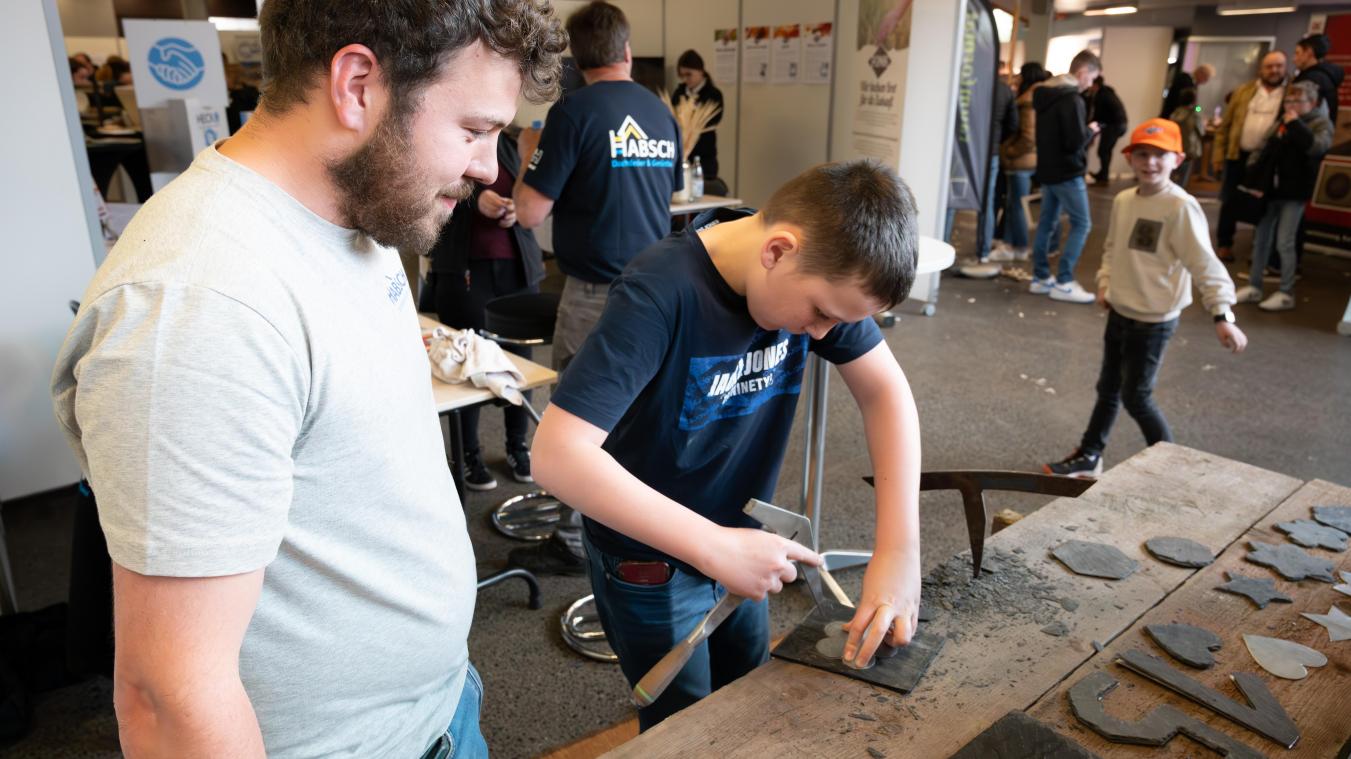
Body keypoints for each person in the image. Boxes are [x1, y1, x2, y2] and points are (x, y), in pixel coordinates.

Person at [49, 2, 565, 757]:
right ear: (357, 84)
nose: (490, 165)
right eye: (474, 129)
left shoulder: (358, 213)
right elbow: (169, 700)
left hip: (439, 707)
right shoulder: (197, 308)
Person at [530, 160, 923, 729]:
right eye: (819, 316)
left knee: (749, 694)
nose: (821, 336)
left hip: (741, 542)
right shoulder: (659, 292)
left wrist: (898, 551)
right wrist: (711, 547)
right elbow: (556, 454)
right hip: (652, 556)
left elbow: (886, 392)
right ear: (777, 251)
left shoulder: (823, 276)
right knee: (684, 726)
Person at [509, 1, 681, 577]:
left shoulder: (573, 111)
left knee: (576, 421)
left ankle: (576, 539)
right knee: (638, 415)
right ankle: (635, 528)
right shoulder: (661, 116)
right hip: (660, 293)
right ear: (627, 51)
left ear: (576, 59)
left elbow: (529, 213)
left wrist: (530, 158)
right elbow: (671, 198)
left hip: (594, 293)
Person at [1044, 119, 1246, 478]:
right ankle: (1090, 455)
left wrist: (1222, 314)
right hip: (1120, 311)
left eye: (1159, 155)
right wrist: (1106, 282)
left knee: (1136, 397)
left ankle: (1171, 466)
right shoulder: (1124, 201)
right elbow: (1112, 250)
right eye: (1142, 154)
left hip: (1154, 321)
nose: (1150, 162)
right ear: (1130, 158)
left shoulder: (1180, 207)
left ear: (1177, 160)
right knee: (1108, 389)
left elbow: (1205, 263)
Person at [429, 128, 545, 490]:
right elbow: (428, 197)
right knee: (468, 366)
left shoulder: (511, 145)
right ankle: (469, 454)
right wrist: (473, 202)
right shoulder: (446, 139)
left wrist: (517, 211)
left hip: (517, 268)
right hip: (465, 271)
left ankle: (517, 446)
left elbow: (530, 197)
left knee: (518, 364)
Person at [1235, 81, 1333, 312]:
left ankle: (1286, 291)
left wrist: (1297, 125)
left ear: (1312, 102)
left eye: (1297, 101)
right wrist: (1254, 170)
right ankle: (1254, 285)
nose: (1291, 105)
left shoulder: (1320, 123)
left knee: (1285, 242)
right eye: (1289, 101)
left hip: (1295, 192)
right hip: (1271, 189)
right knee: (1261, 238)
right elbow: (1266, 144)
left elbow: (1317, 148)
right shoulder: (1283, 121)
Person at [1029, 50, 1102, 304]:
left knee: (1047, 222)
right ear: (1082, 73)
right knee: (1082, 224)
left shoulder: (1045, 96)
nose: (1091, 85)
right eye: (1091, 78)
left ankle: (1040, 277)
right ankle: (1064, 281)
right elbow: (1073, 143)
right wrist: (1090, 131)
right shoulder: (1072, 100)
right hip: (1068, 173)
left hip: (1048, 170)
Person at [1212, 50, 1288, 263]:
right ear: (1260, 69)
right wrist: (1218, 156)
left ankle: (1259, 248)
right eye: (1269, 66)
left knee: (1263, 205)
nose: (1274, 70)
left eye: (1279, 66)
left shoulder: (1290, 94)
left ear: (1285, 67)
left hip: (1267, 162)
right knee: (1229, 201)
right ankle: (1224, 244)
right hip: (1238, 155)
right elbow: (1224, 127)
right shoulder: (1243, 92)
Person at [996, 62, 1050, 261]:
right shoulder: (1038, 97)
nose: (1017, 78)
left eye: (1020, 74)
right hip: (1026, 161)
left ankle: (1018, 246)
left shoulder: (1028, 101)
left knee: (1016, 205)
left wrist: (1009, 152)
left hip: (1020, 161)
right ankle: (1010, 245)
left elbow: (1028, 137)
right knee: (1013, 204)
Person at [973, 71, 1018, 263]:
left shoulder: (970, 84)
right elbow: (1013, 124)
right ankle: (983, 252)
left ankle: (945, 244)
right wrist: (998, 140)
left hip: (968, 151)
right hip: (991, 152)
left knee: (952, 201)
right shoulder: (1005, 90)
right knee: (987, 202)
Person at [671, 49, 724, 185]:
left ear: (701, 71)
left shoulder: (714, 95)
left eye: (689, 74)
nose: (685, 79)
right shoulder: (678, 93)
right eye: (682, 75)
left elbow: (712, 121)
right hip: (682, 155)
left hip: (704, 159)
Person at [1293, 34, 1343, 125]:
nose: (1294, 59)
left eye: (1297, 53)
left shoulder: (1311, 80)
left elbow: (1298, 113)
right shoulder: (1325, 76)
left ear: (1309, 52)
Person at [1086, 74, 1128, 185]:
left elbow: (1098, 116)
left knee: (1103, 151)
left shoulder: (1101, 96)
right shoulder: (1106, 93)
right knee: (1105, 151)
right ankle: (1103, 175)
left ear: (1095, 85)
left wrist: (1089, 131)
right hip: (1119, 125)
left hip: (1115, 125)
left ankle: (1103, 177)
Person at [1167, 88, 1204, 188]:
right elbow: (1201, 131)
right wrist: (1197, 107)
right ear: (1193, 100)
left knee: (1172, 172)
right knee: (1183, 177)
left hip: (1174, 147)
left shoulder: (1175, 113)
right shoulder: (1193, 114)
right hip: (1189, 150)